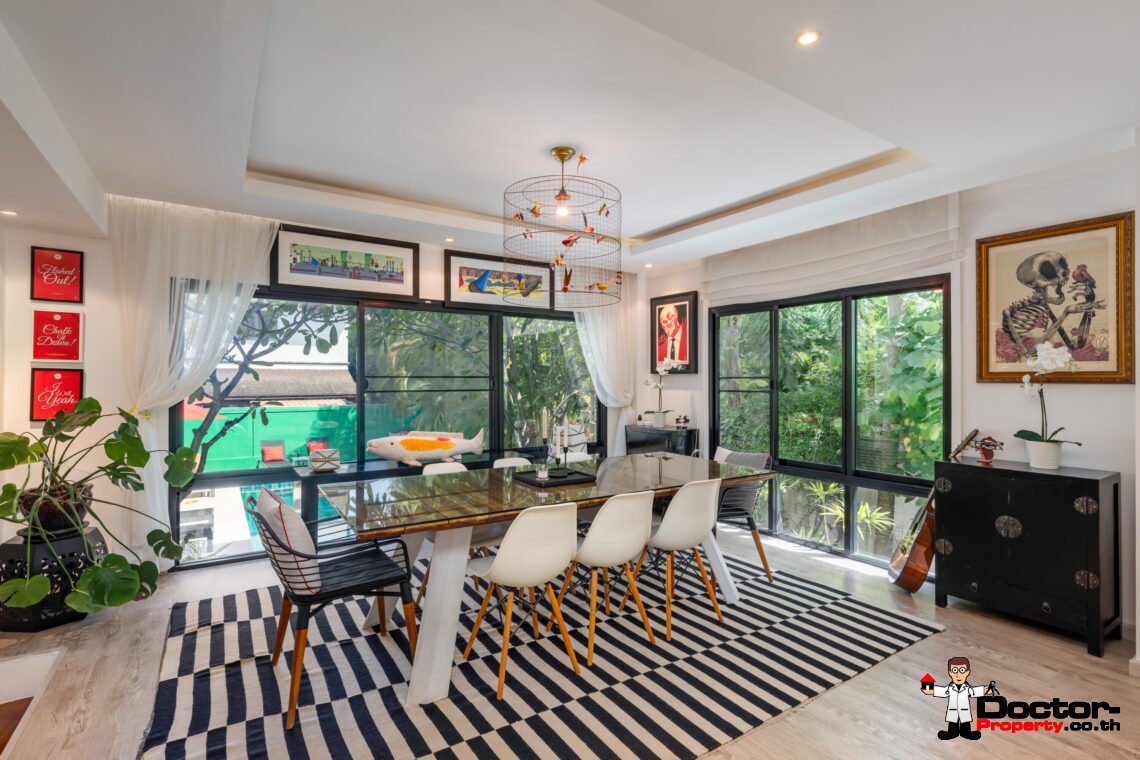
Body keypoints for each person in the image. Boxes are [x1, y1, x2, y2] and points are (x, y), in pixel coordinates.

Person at [923, 656, 994, 740]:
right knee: (953, 723)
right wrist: (930, 690)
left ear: (967, 672)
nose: (958, 675)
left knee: (965, 723)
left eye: (962, 671)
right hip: (953, 710)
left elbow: (975, 691)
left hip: (964, 710)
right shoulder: (950, 688)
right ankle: (952, 733)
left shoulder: (967, 688)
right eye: (954, 671)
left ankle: (966, 733)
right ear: (950, 673)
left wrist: (988, 689)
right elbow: (942, 691)